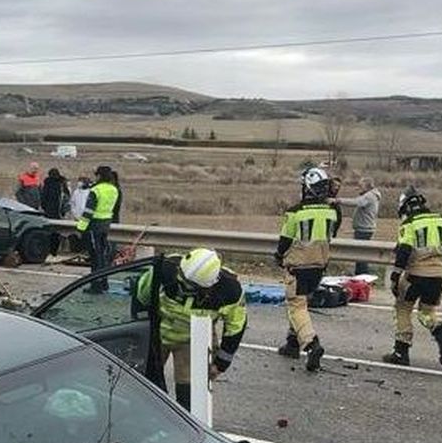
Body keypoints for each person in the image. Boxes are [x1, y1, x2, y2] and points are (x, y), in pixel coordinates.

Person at [133, 248, 247, 410]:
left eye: (189, 285)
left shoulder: (230, 291)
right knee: (144, 385)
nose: (182, 284)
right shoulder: (165, 269)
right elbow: (140, 298)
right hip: (156, 335)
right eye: (182, 277)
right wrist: (138, 335)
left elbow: (235, 327)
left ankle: (186, 427)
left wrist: (221, 364)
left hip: (194, 341)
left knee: (190, 397)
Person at [382, 187, 442, 368]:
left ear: (405, 207)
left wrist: (395, 275)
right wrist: (441, 264)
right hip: (436, 276)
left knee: (402, 308)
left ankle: (401, 351)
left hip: (414, 276)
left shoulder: (409, 224)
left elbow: (404, 250)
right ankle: (441, 334)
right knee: (427, 312)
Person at [275, 166, 340, 372]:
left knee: (296, 305)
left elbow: (285, 240)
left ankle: (312, 344)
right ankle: (292, 343)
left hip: (298, 265)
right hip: (319, 265)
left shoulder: (295, 212)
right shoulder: (331, 211)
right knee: (301, 303)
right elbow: (334, 231)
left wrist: (278, 256)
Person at [75, 165, 120, 286]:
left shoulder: (96, 190)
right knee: (104, 254)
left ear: (99, 176)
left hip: (95, 225)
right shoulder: (114, 189)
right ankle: (104, 281)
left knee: (95, 256)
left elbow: (88, 211)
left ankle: (96, 284)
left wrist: (81, 227)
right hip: (107, 224)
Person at [331, 177, 380, 276]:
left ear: (367, 186)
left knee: (361, 256)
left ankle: (362, 276)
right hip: (364, 229)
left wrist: (337, 201)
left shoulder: (369, 196)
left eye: (360, 186)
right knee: (361, 255)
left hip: (364, 230)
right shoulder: (371, 195)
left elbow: (357, 202)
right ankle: (361, 275)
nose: (358, 188)